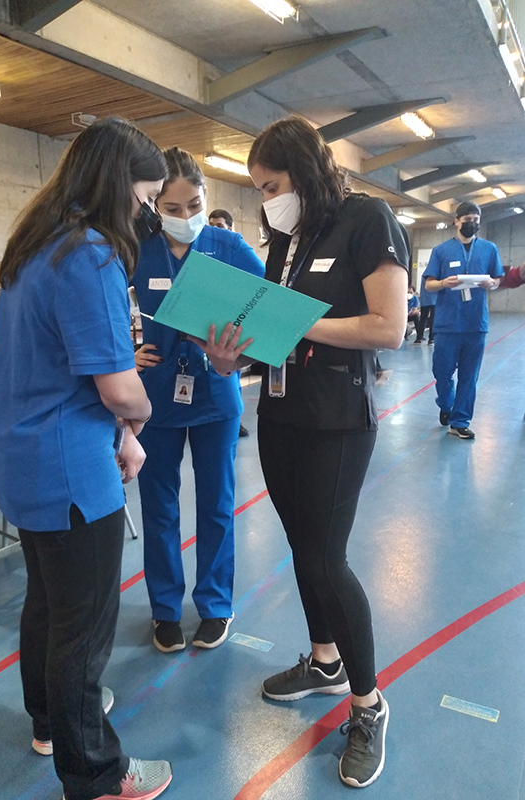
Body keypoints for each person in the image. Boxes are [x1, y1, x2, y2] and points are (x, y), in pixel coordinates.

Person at [190, 116, 409, 789]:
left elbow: (389, 327)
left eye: (272, 186)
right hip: (282, 413)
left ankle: (369, 705)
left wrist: (300, 322)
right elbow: (269, 340)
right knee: (301, 548)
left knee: (325, 558)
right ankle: (325, 661)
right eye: (259, 189)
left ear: (305, 173)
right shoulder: (287, 239)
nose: (267, 200)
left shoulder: (366, 220)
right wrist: (229, 357)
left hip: (338, 420)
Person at [0, 117, 173, 800]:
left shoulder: (36, 245)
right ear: (119, 187)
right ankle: (96, 773)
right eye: (144, 198)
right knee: (84, 629)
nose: (147, 214)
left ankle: (51, 720)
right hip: (67, 468)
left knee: (49, 602)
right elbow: (118, 386)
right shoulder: (90, 254)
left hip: (22, 459)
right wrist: (139, 418)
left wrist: (119, 428)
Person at [131, 148, 265, 654]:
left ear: (206, 199)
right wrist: (123, 352)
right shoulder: (138, 249)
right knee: (159, 507)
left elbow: (269, 309)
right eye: (172, 207)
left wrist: (237, 354)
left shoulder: (229, 247)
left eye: (194, 205)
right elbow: (102, 307)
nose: (185, 216)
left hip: (214, 393)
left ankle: (215, 605)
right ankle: (165, 608)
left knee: (216, 505)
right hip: (156, 396)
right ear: (154, 205)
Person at [423, 201, 503, 439]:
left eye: (476, 220)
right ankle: (446, 404)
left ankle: (459, 421)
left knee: (469, 376)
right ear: (456, 221)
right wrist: (443, 283)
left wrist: (492, 283)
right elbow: (429, 284)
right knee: (442, 372)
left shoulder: (489, 249)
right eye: (467, 219)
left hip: (475, 324)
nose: (472, 224)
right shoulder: (441, 251)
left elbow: (498, 279)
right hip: (447, 324)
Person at [208, 207, 252, 437]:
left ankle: (237, 418)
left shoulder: (237, 253)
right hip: (214, 326)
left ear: (231, 228)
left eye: (220, 226)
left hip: (235, 326)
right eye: (211, 226)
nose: (215, 231)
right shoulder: (207, 255)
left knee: (234, 374)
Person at [414, 272, 436, 344]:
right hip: (434, 300)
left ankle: (419, 338)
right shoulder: (434, 274)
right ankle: (431, 339)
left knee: (423, 319)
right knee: (433, 320)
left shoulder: (424, 274)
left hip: (425, 299)